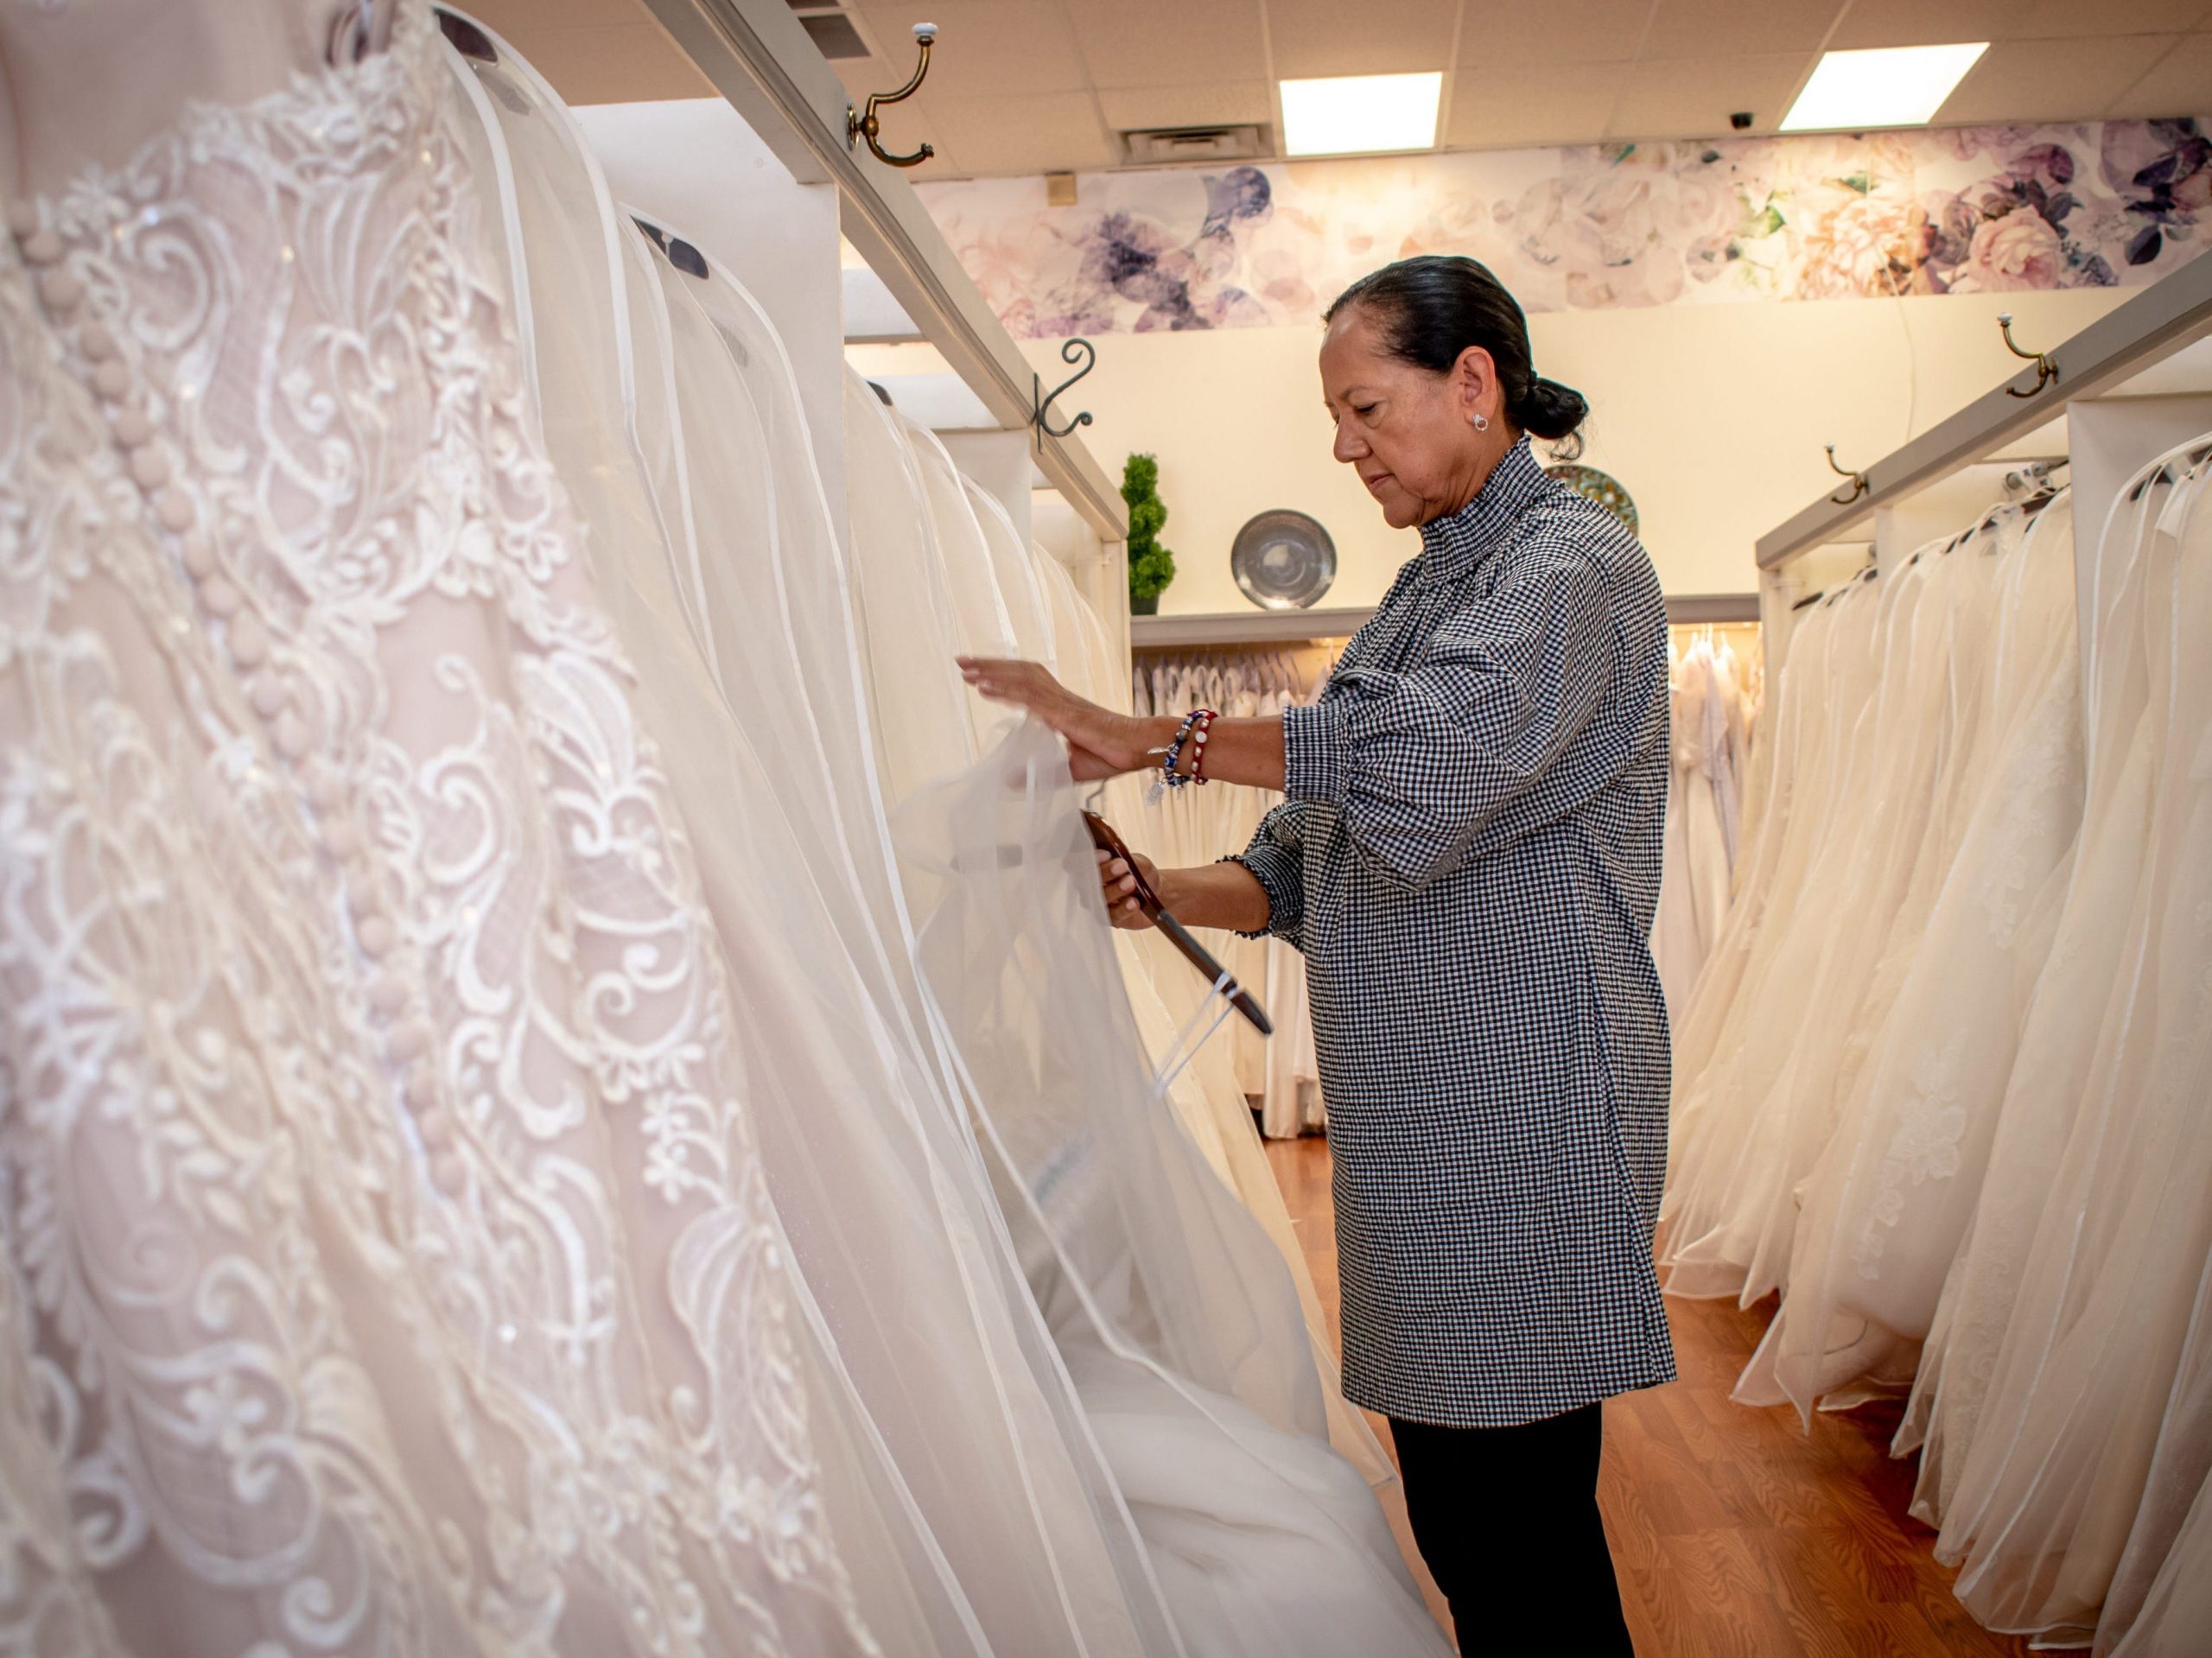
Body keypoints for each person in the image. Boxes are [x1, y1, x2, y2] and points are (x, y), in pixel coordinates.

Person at [960, 253, 1674, 1654]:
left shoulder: (1574, 566)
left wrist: (1141, 730)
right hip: (1422, 1125)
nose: (1342, 446)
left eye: (1363, 408)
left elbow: (1425, 763)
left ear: (1476, 385)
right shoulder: (1427, 593)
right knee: (1467, 1519)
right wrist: (1158, 886)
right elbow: (1306, 857)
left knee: (1519, 1528)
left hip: (1517, 1114)